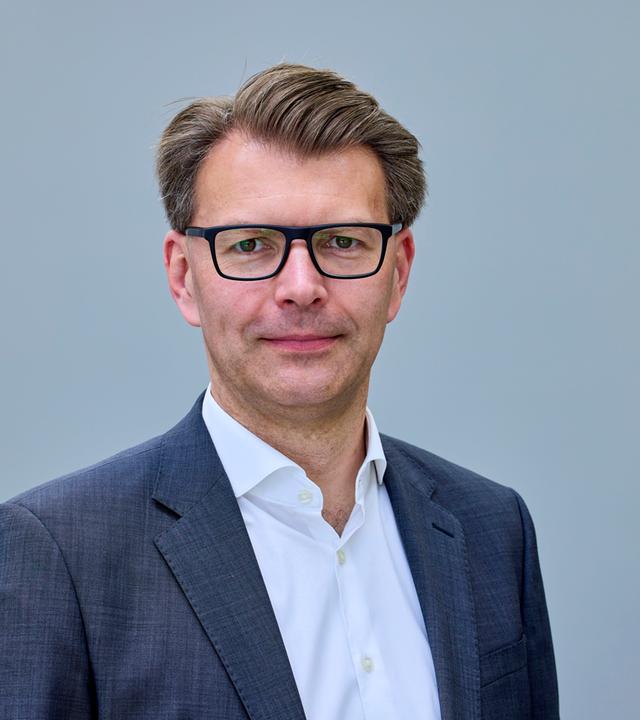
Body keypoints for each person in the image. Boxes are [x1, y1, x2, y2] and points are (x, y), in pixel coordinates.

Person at [0, 64, 559, 719]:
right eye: (251, 244)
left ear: (399, 272)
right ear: (183, 277)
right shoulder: (61, 553)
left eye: (343, 242)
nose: (301, 287)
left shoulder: (492, 528)